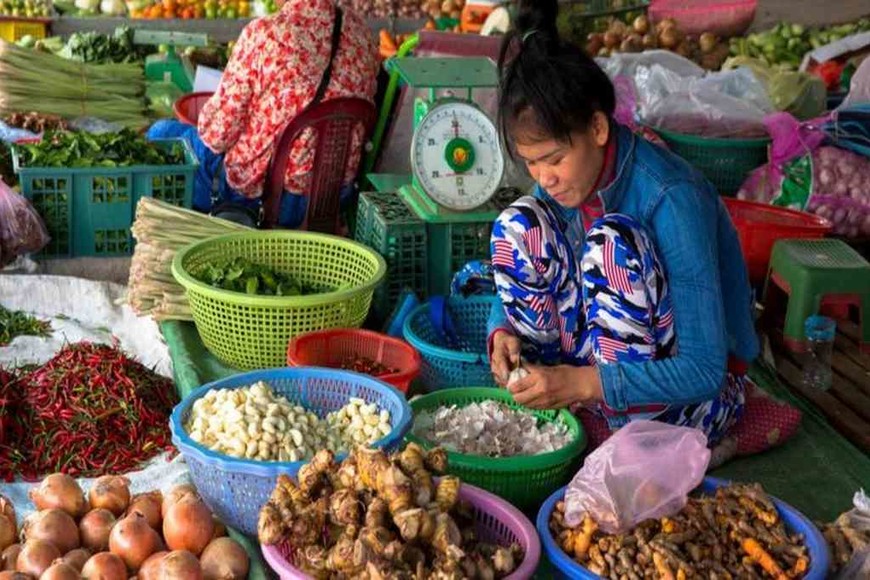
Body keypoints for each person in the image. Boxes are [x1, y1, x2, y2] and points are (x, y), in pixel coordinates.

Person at [487, 0, 759, 447]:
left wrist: (584, 383)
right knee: (518, 225)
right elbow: (527, 260)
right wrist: (502, 329)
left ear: (598, 129)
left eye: (553, 159)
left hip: (693, 398)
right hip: (599, 369)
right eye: (532, 162)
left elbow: (704, 371)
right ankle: (543, 397)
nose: (544, 177)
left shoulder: (672, 197)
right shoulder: (565, 180)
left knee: (611, 246)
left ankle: (622, 431)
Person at [147, 0, 378, 227]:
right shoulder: (361, 33)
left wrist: (208, 117)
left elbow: (217, 137)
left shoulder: (265, 34)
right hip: (333, 195)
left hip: (271, 201)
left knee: (162, 132)